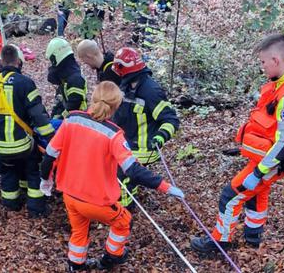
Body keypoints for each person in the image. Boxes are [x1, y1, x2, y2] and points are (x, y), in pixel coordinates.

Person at [190, 34, 284, 252]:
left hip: (278, 159)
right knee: (257, 193)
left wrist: (258, 173)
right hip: (269, 154)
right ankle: (253, 239)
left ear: (276, 60)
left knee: (231, 195)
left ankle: (218, 243)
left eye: (263, 62)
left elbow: (283, 144)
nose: (262, 67)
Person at [40, 81, 184, 272]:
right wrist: (166, 187)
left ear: (93, 98)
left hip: (70, 194)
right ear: (116, 106)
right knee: (124, 221)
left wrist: (46, 180)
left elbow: (50, 155)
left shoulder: (71, 121)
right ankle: (112, 257)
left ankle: (75, 265)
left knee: (79, 230)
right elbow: (132, 170)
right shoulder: (114, 135)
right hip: (96, 200)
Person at [0, 45, 54, 218]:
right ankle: (36, 209)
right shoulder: (25, 83)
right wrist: (52, 139)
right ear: (18, 61)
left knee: (8, 171)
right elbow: (38, 114)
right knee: (33, 169)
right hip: (20, 143)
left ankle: (10, 204)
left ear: (0, 62)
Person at [111, 47, 180, 208]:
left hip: (143, 148)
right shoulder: (127, 86)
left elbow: (171, 120)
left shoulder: (151, 91)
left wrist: (160, 136)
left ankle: (125, 210)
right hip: (126, 142)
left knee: (120, 173)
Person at [46, 37, 87, 119]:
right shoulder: (65, 77)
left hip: (78, 121)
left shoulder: (75, 79)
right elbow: (59, 102)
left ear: (55, 58)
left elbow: (74, 105)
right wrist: (53, 118)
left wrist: (61, 118)